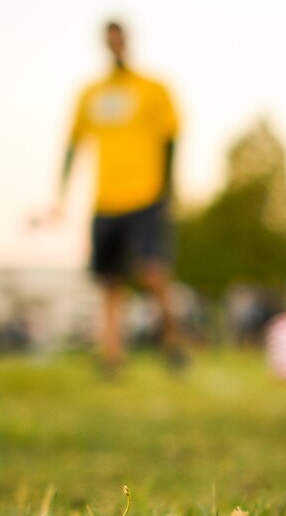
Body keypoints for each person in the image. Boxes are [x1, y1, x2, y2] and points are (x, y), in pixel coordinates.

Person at [51, 21, 186, 374]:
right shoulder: (90, 94)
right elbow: (73, 144)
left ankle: (172, 343)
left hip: (146, 194)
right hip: (105, 200)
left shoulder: (153, 88)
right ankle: (112, 355)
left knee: (154, 273)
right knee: (110, 282)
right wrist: (61, 195)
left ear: (127, 41)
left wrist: (169, 188)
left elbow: (170, 138)